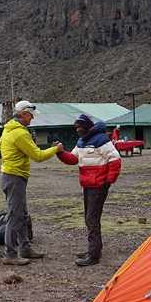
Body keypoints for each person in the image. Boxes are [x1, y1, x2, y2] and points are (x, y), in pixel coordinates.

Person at [0, 100, 63, 266]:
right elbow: (38, 156)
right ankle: (10, 254)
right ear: (23, 114)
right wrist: (56, 149)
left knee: (21, 213)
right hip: (15, 176)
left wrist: (13, 156)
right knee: (15, 215)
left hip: (11, 175)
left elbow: (0, 145)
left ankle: (25, 248)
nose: (32, 118)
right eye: (31, 115)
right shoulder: (20, 133)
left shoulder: (8, 129)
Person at [57, 114, 121, 266]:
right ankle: (95, 249)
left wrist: (109, 181)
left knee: (92, 219)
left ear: (87, 126)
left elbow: (115, 159)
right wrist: (60, 153)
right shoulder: (82, 141)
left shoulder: (101, 139)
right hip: (88, 186)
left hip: (98, 186)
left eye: (79, 126)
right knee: (90, 218)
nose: (77, 129)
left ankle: (93, 255)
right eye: (76, 127)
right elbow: (73, 159)